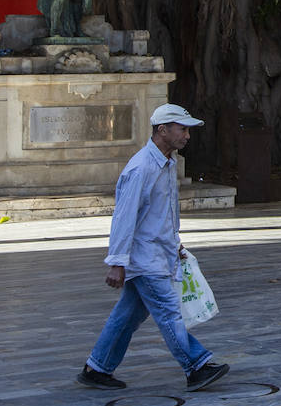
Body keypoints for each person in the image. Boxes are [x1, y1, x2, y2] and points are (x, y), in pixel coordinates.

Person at [77, 103, 231, 391]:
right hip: (145, 258)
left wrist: (175, 243)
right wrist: (117, 262)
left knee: (127, 316)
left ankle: (97, 367)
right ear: (163, 130)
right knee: (168, 311)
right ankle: (195, 365)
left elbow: (159, 213)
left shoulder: (166, 163)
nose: (187, 135)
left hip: (158, 253)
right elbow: (125, 217)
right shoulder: (141, 168)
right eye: (182, 129)